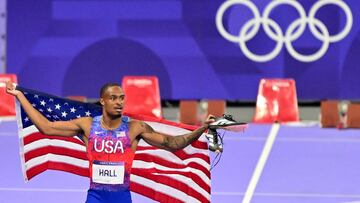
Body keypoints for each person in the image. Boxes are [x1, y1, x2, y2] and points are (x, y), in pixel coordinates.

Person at [6, 81, 215, 203]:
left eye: (122, 98)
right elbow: (46, 127)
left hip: (122, 198)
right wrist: (20, 96)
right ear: (103, 101)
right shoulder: (87, 125)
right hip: (95, 197)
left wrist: (201, 129)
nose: (119, 102)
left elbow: (173, 143)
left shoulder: (135, 128)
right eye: (114, 98)